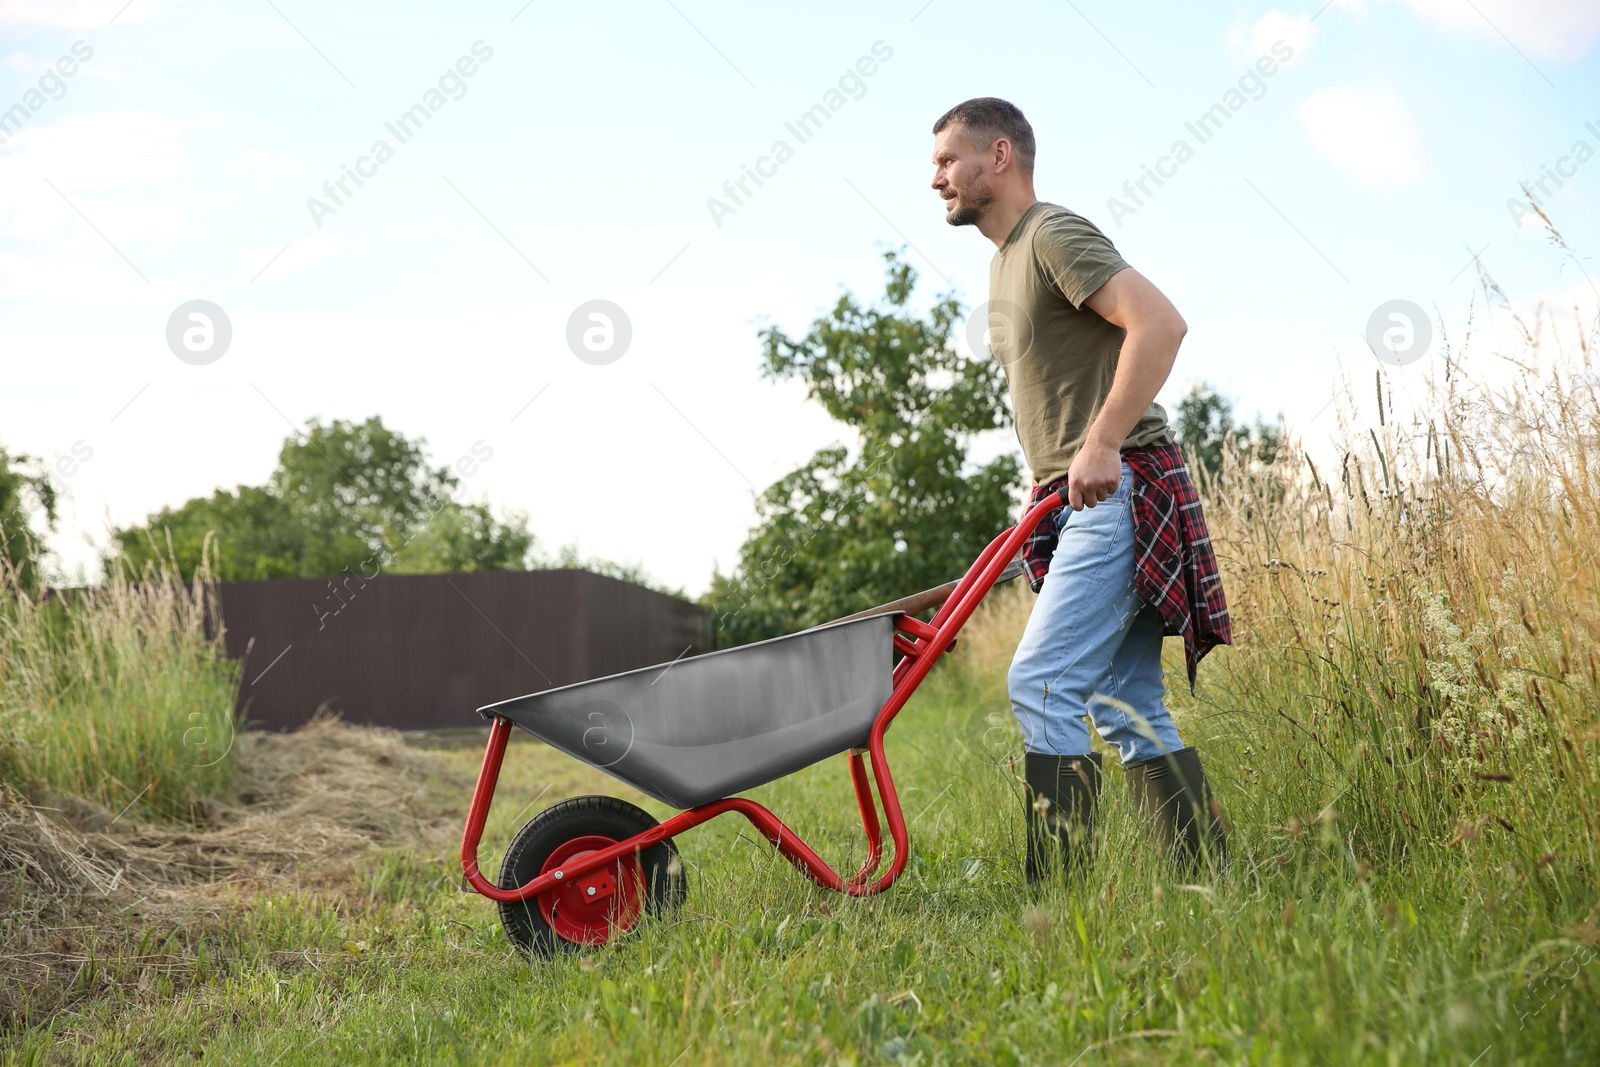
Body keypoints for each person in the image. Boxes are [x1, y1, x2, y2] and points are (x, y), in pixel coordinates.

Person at [929, 97, 1231, 883]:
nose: (937, 179)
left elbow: (1159, 324)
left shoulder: (1052, 234)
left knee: (1042, 681)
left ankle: (1059, 899)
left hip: (1118, 488)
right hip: (1081, 500)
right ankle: (1208, 876)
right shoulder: (1005, 261)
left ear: (1000, 155)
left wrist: (1098, 444)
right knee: (1126, 701)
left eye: (947, 161)